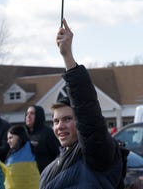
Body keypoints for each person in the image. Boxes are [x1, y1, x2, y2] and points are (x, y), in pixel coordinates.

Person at [39, 18, 125, 189]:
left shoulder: (97, 154)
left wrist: (67, 57)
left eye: (67, 119)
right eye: (56, 121)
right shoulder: (49, 170)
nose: (60, 126)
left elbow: (87, 110)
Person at [24, 105, 60, 172]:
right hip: (29, 176)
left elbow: (57, 154)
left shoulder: (48, 133)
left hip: (46, 174)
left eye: (32, 113)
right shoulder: (24, 134)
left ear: (38, 115)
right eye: (27, 114)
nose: (28, 116)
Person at [5, 124, 39, 189]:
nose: (8, 141)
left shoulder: (33, 148)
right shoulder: (10, 154)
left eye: (11, 137)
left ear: (19, 136)